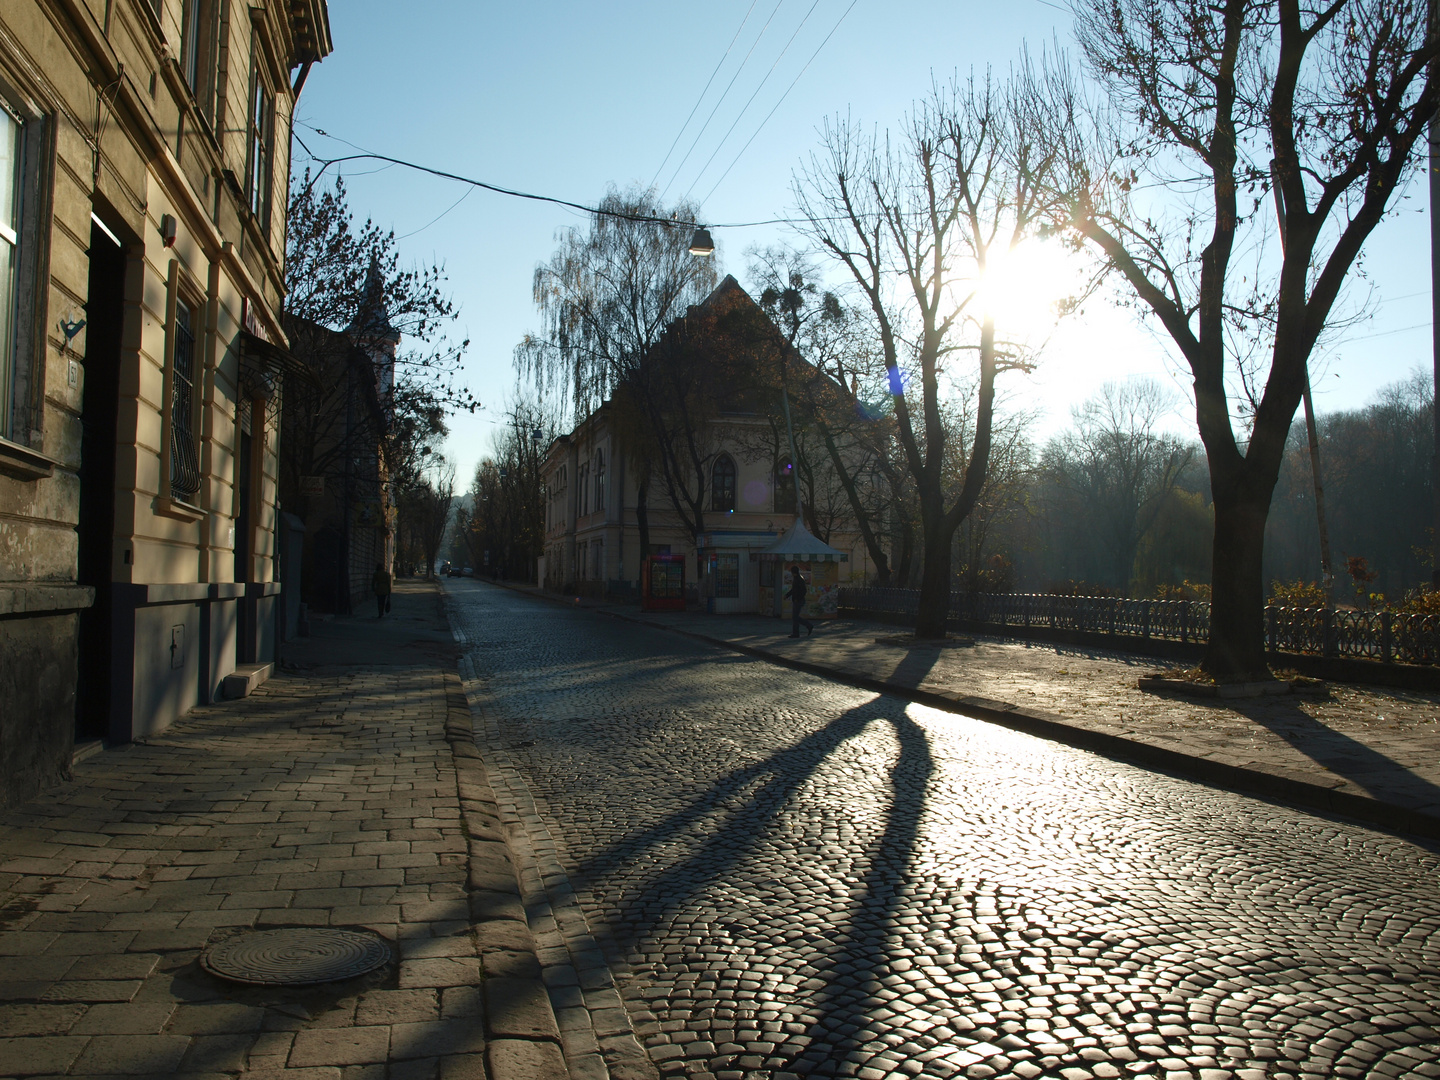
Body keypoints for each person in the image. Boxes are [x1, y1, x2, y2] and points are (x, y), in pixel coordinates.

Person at [787, 564, 813, 638]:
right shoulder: (797, 578)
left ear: (793, 572)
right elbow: (793, 590)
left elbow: (803, 591)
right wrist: (787, 595)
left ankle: (808, 626)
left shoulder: (798, 579)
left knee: (795, 617)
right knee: (795, 617)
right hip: (797, 600)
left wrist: (797, 598)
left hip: (798, 600)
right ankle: (796, 633)